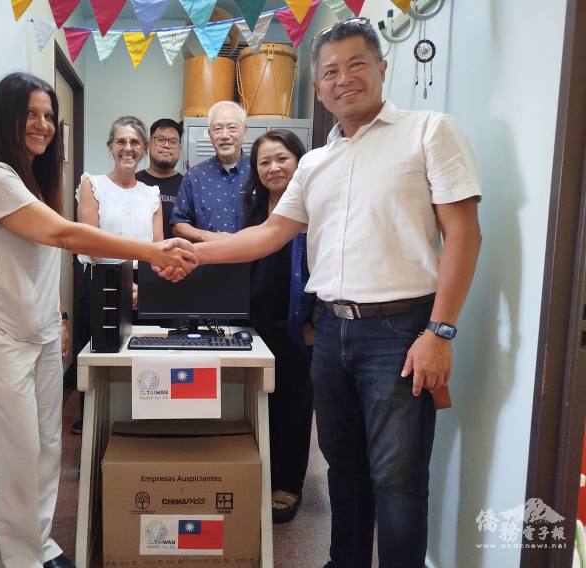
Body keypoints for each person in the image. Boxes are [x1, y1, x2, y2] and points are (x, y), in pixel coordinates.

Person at [167, 18, 482, 568]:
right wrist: (186, 254)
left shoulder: (429, 131)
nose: (343, 79)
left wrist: (440, 330)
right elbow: (267, 235)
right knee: (343, 467)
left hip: (400, 332)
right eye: (331, 71)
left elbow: (464, 235)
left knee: (398, 478)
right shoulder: (314, 163)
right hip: (331, 332)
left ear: (382, 68)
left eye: (357, 65)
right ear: (317, 87)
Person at [0, 72, 195, 568]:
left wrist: (60, 316)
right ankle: (20, 558)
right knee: (16, 451)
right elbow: (65, 237)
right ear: (4, 117)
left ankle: (40, 544)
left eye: (48, 115)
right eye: (31, 114)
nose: (42, 124)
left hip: (40, 325)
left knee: (47, 446)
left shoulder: (34, 180)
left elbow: (44, 259)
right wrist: (152, 251)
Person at [71, 116, 163, 434]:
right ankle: (94, 437)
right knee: (98, 367)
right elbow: (89, 242)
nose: (128, 148)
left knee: (143, 366)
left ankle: (138, 436)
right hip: (100, 285)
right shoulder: (92, 185)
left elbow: (158, 247)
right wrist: (122, 285)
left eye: (135, 142)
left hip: (142, 288)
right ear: (111, 146)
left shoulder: (152, 194)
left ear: (144, 149)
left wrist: (142, 287)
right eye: (121, 141)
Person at [241, 129, 314, 524]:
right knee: (259, 404)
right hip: (257, 322)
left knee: (293, 406)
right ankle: (259, 477)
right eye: (264, 161)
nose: (273, 167)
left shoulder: (315, 207)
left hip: (299, 327)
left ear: (299, 161)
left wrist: (314, 321)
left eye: (282, 158)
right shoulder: (254, 207)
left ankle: (288, 484)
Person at [170, 101, 251, 242]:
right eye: (217, 129)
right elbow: (178, 225)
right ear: (209, 134)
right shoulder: (194, 176)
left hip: (253, 255)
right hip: (208, 255)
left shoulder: (260, 172)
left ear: (245, 130)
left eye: (232, 128)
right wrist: (209, 236)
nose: (224, 135)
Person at [135, 118, 183, 239]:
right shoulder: (134, 181)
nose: (166, 145)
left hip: (177, 251)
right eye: (161, 140)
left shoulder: (187, 185)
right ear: (148, 145)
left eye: (173, 142)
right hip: (140, 250)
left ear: (180, 149)